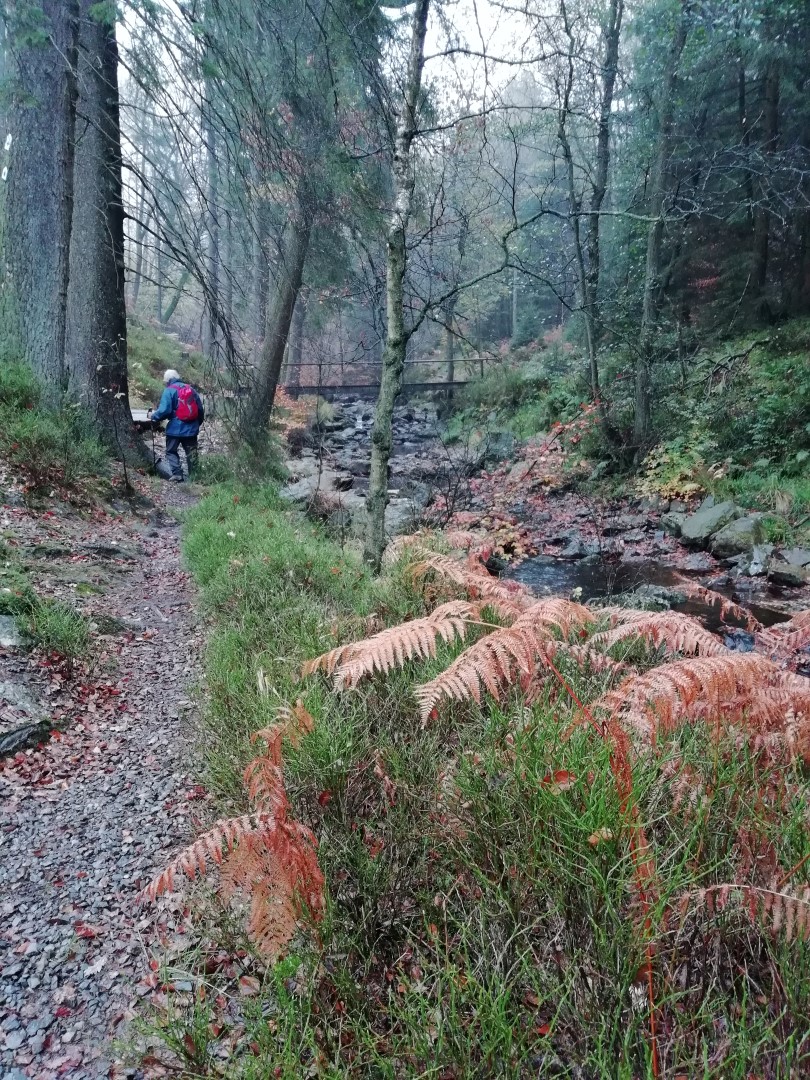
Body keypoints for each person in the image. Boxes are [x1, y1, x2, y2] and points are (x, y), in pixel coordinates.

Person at [149, 369, 205, 482]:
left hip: (174, 429)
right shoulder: (191, 389)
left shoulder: (169, 391)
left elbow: (164, 410)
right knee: (191, 453)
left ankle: (177, 474)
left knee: (171, 451)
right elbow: (200, 409)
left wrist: (153, 416)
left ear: (168, 380)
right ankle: (195, 477)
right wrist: (196, 424)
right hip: (191, 429)